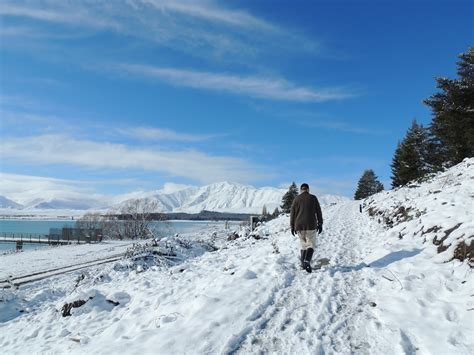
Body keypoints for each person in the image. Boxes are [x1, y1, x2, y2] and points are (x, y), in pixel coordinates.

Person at [290, 183, 323, 273]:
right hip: (311, 225)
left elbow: (292, 214)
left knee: (303, 245)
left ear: (301, 190)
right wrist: (320, 223)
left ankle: (303, 264)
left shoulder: (296, 199)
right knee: (311, 244)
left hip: (299, 226)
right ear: (308, 189)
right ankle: (307, 261)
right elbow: (318, 211)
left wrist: (292, 226)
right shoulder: (313, 198)